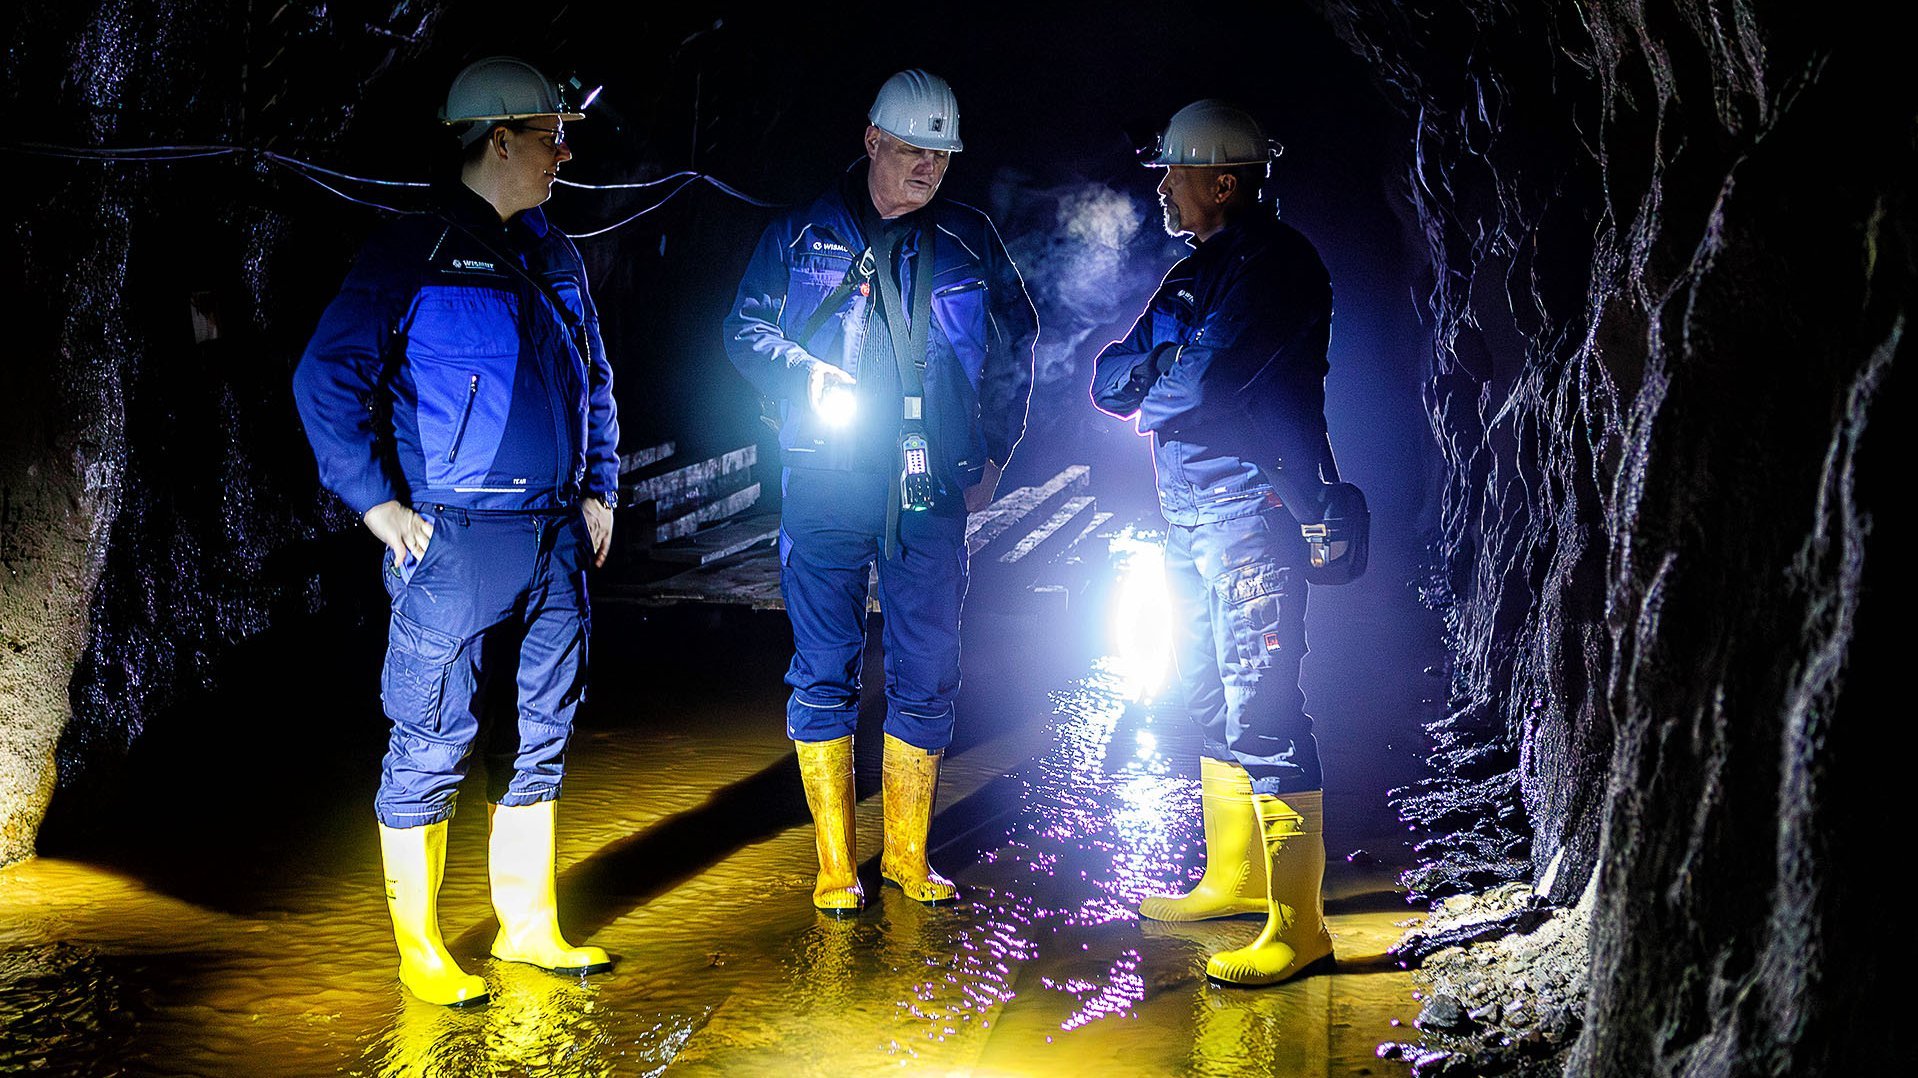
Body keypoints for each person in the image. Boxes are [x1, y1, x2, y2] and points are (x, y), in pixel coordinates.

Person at [293, 56, 620, 1006]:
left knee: (540, 732)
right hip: (454, 541)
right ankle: (421, 947)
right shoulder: (412, 250)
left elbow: (596, 380)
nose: (565, 151)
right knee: (432, 735)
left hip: (558, 536)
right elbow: (327, 377)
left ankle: (528, 927)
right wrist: (377, 504)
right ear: (500, 138)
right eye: (552, 135)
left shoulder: (558, 253)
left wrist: (599, 490)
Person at [724, 69, 1036, 916]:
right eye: (910, 151)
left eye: (940, 155)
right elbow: (743, 329)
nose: (927, 169)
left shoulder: (970, 240)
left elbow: (1018, 340)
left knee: (927, 668)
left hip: (929, 485)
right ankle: (836, 864)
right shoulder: (798, 235)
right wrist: (805, 371)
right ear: (871, 141)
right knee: (823, 667)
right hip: (825, 479)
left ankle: (905, 854)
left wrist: (997, 451)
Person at [1091, 99, 1339, 986]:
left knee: (1264, 708)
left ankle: (1298, 926)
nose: (1163, 185)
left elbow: (1200, 381)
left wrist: (1164, 376)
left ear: (1221, 181)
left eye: (1176, 171)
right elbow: (1110, 376)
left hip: (1251, 518)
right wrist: (1163, 373)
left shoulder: (1277, 267)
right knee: (1203, 691)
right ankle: (1232, 879)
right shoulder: (1198, 272)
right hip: (1188, 517)